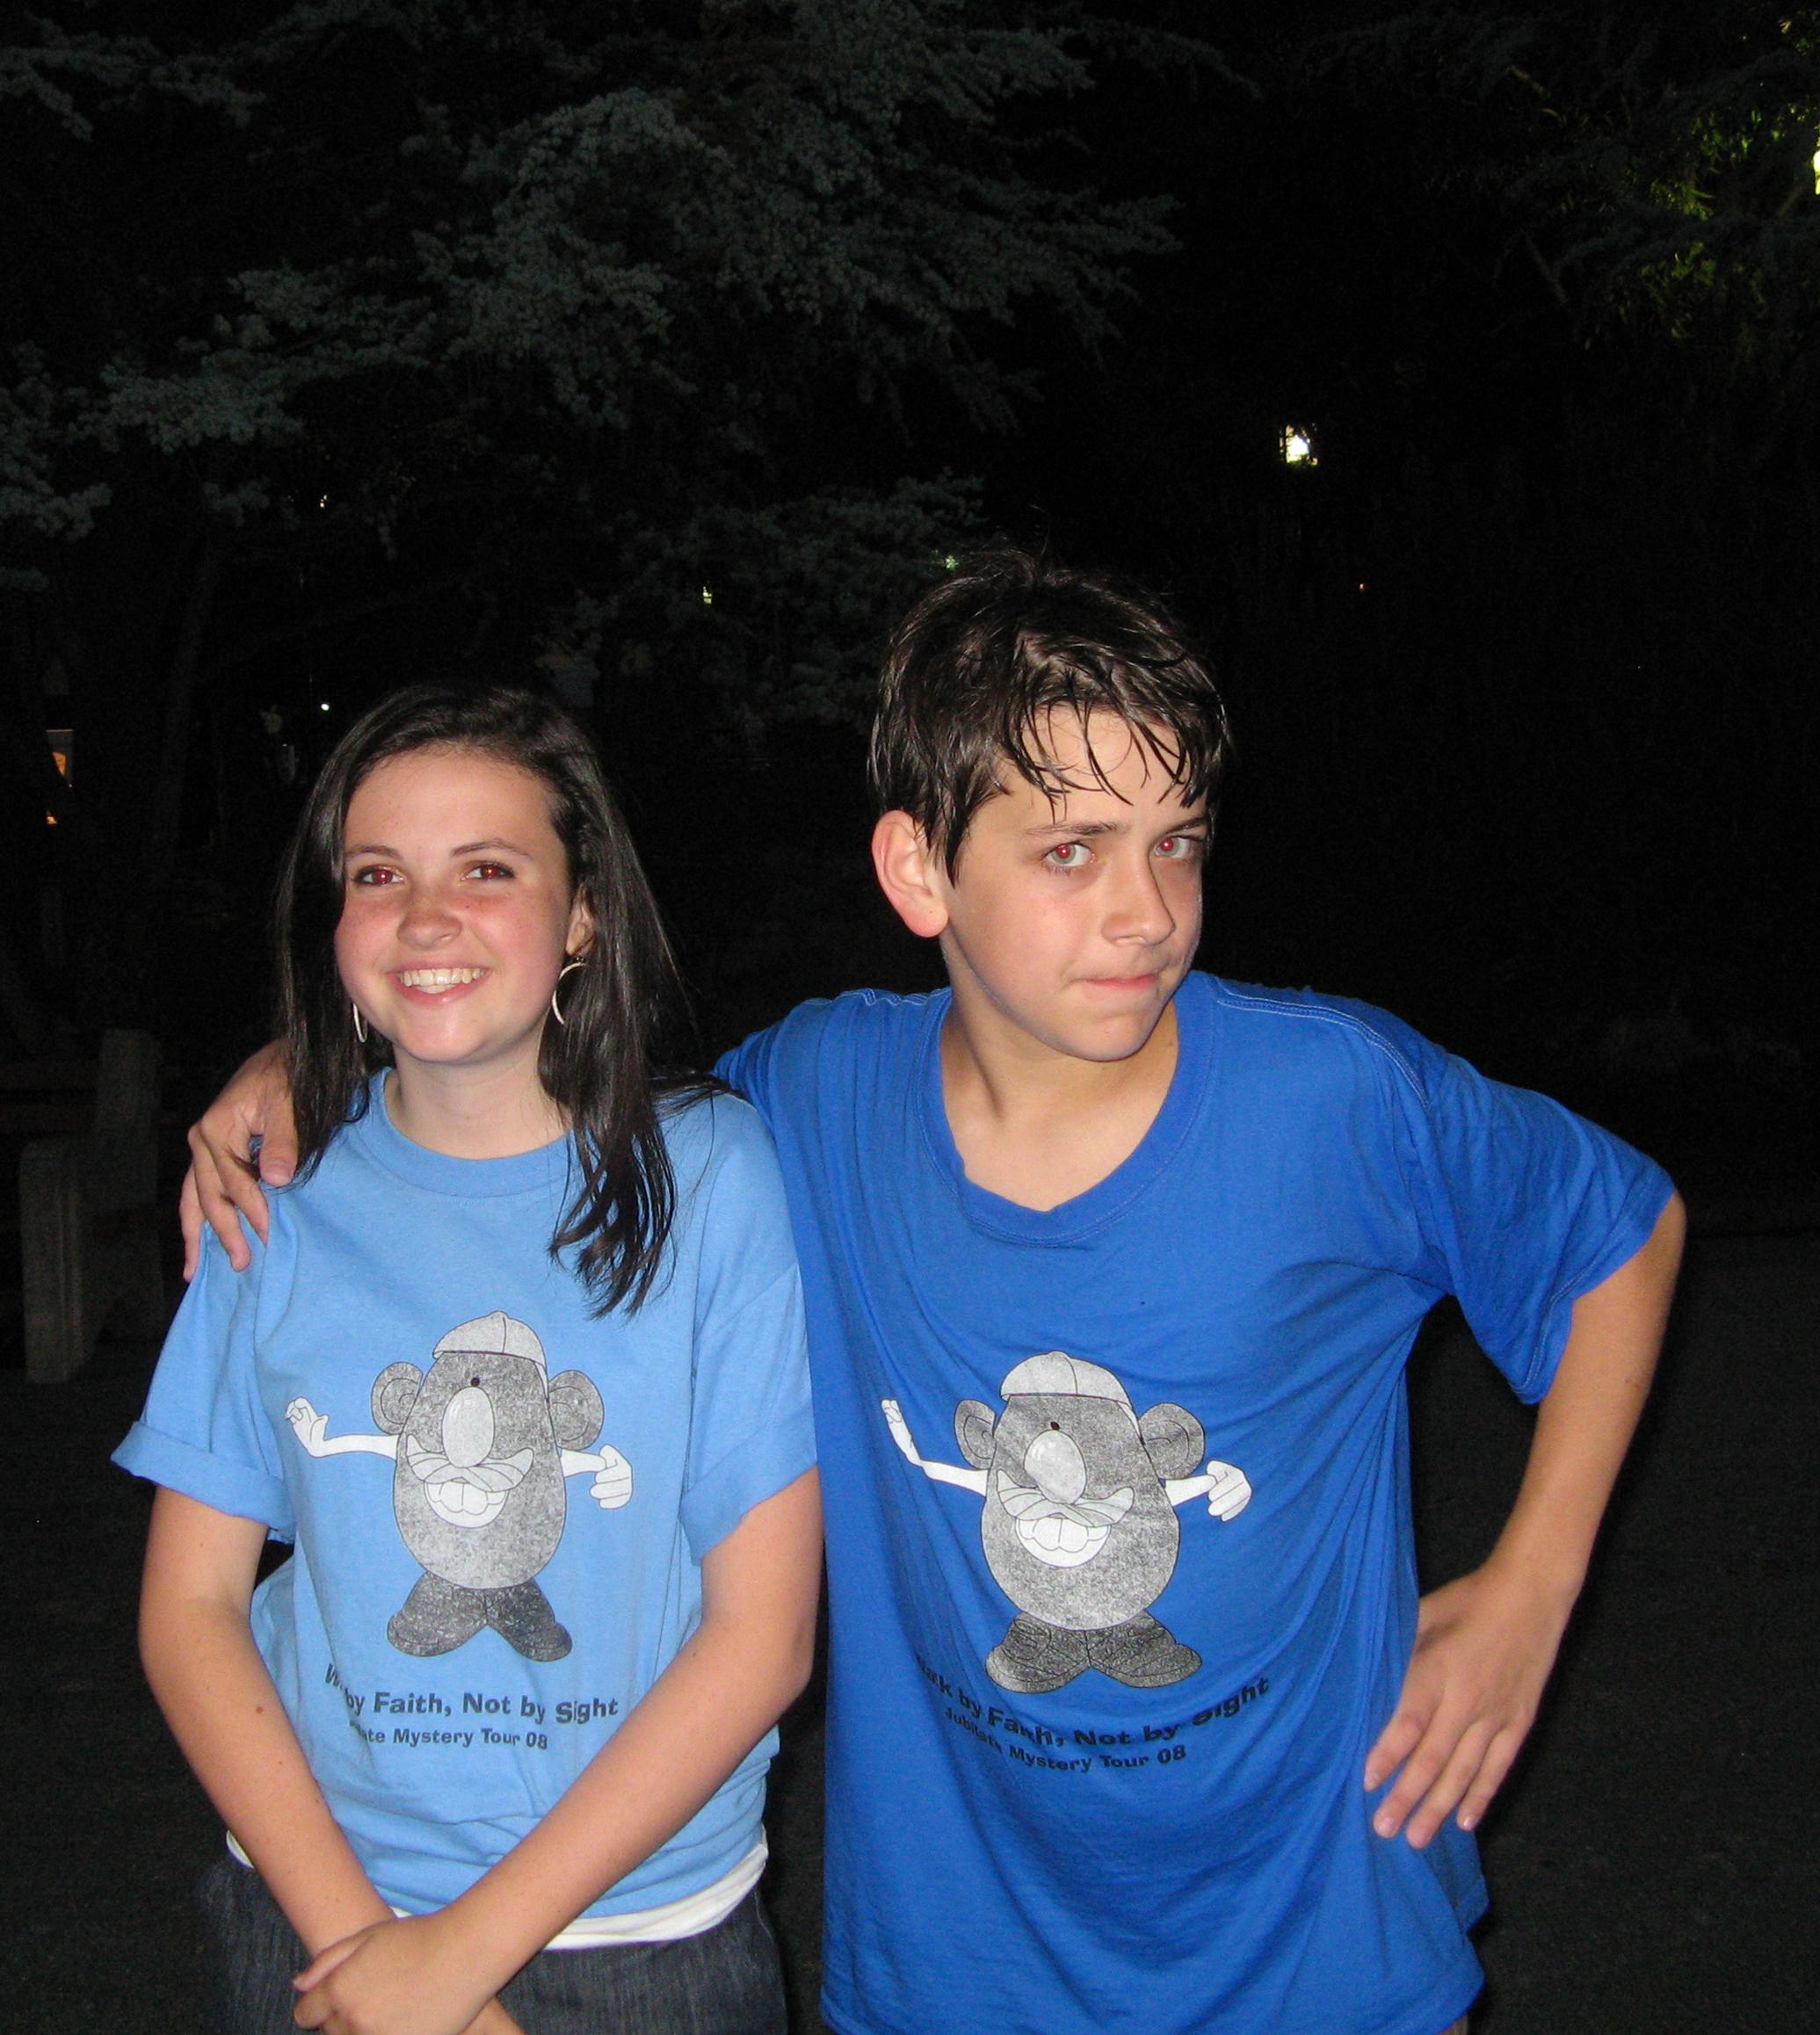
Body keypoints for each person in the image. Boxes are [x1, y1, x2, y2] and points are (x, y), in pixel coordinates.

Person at [184, 555, 1684, 2035]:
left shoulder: (1332, 1099)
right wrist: (313, 1072)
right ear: (917, 872)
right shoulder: (814, 1103)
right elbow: (553, 1109)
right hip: (957, 1965)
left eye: (1175, 841)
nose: (1147, 912)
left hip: (1319, 1945)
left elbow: (1618, 1233)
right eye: (1070, 850)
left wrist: (1532, 1586)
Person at [118, 685, 821, 2035]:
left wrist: (458, 1961)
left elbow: (763, 1637)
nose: (424, 918)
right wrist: (363, 1947)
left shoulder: (711, 1179)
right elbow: (189, 1610)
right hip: (316, 1920)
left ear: (581, 917)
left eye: (485, 870)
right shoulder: (271, 1188)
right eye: (377, 875)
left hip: (636, 1937)